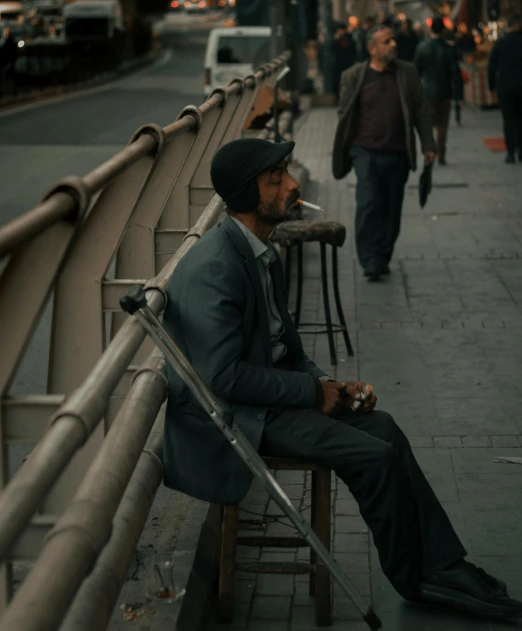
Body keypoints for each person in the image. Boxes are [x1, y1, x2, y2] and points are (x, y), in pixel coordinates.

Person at [161, 137, 522, 621]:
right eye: (277, 179)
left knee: (386, 428)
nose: (292, 185)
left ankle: (443, 563)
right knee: (372, 457)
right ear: (249, 195)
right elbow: (223, 377)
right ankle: (415, 580)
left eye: (287, 174)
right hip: (236, 418)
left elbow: (284, 349)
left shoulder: (257, 251)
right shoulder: (216, 268)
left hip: (269, 399)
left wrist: (330, 383)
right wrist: (313, 392)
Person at [332, 24, 436, 281]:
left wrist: (428, 145)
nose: (393, 45)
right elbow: (344, 112)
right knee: (368, 203)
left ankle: (382, 254)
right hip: (364, 151)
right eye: (386, 42)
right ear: (372, 48)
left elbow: (421, 110)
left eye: (393, 40)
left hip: (398, 152)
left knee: (391, 207)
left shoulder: (407, 72)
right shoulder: (354, 76)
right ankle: (369, 259)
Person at [414, 16, 463, 165]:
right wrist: (458, 94)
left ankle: (430, 153)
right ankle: (441, 153)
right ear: (443, 30)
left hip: (427, 91)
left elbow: (416, 70)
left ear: (430, 29)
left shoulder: (422, 48)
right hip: (444, 91)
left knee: (428, 125)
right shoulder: (448, 49)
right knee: (442, 125)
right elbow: (456, 73)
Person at [487, 13, 522, 163]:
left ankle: (510, 153)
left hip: (505, 87)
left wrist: (491, 87)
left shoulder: (500, 43)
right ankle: (521, 151)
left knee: (508, 120)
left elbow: (491, 67)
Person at [331, 22, 357, 102]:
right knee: (337, 81)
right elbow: (331, 48)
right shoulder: (336, 38)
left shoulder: (349, 38)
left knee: (348, 80)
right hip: (338, 63)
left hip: (347, 63)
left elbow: (353, 50)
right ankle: (337, 98)